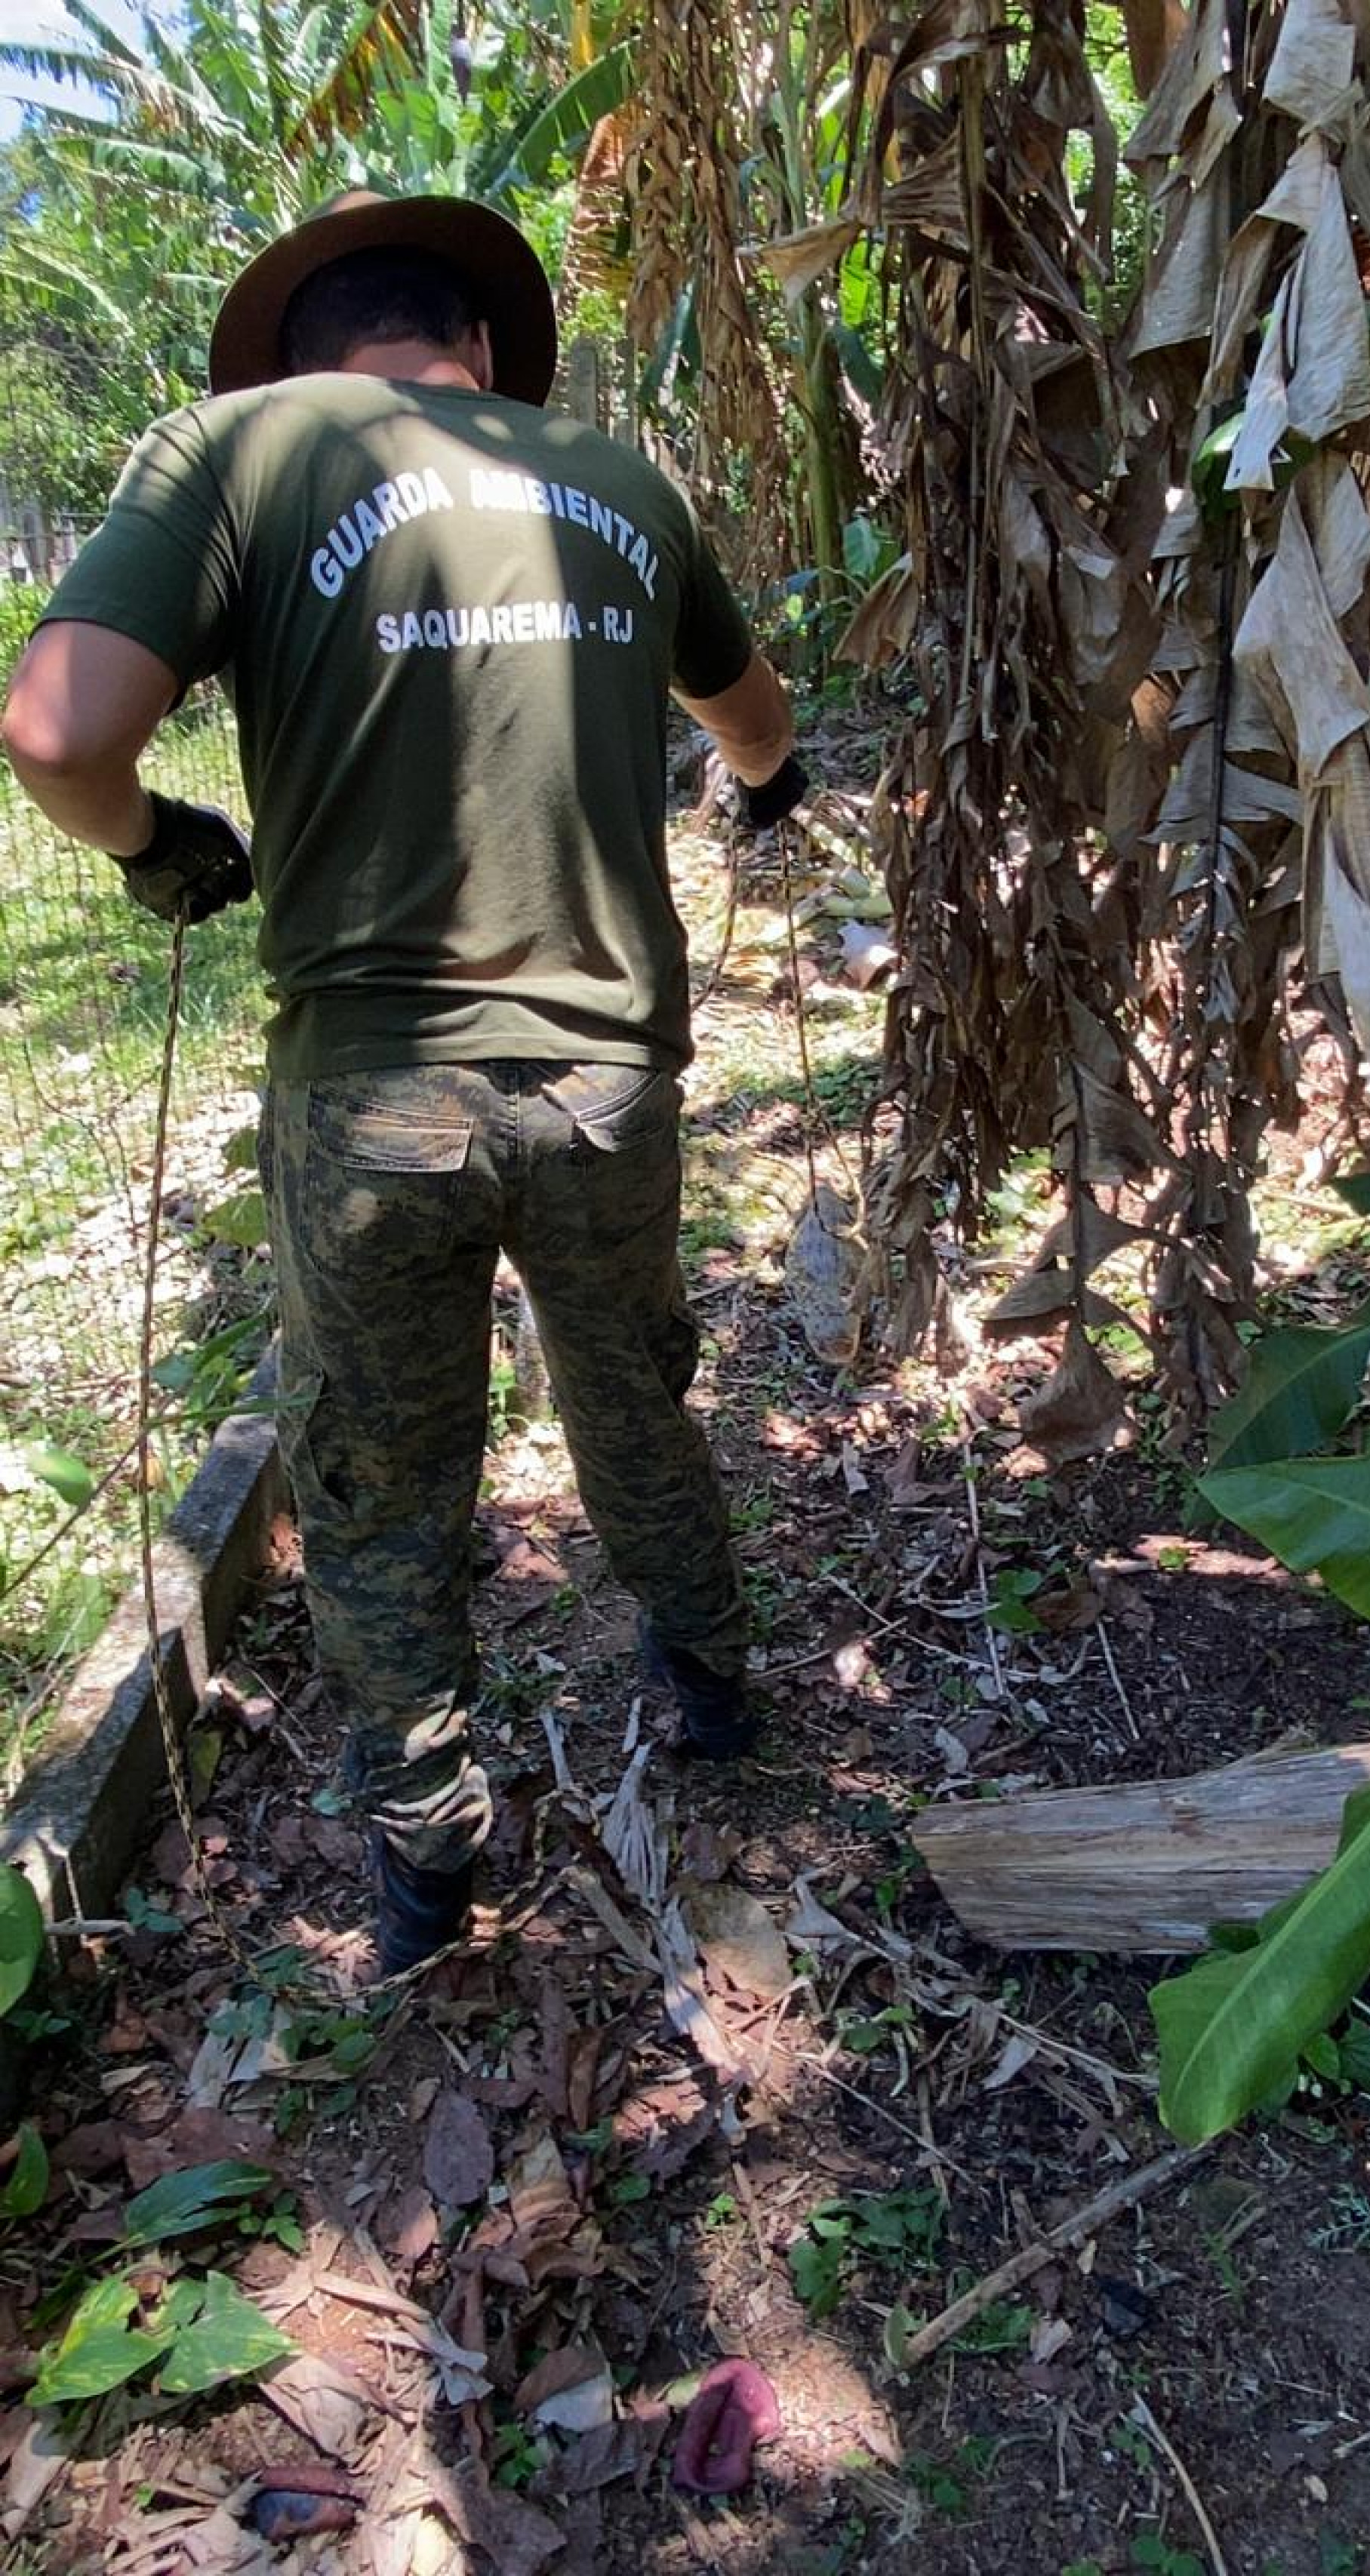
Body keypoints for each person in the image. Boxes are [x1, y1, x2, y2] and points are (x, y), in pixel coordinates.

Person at [2, 191, 805, 1974]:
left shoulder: (240, 449)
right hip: (605, 1081)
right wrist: (761, 787)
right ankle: (718, 1679)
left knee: (378, 1474)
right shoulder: (619, 473)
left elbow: (58, 730)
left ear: (302, 365)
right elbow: (759, 725)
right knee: (633, 1391)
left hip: (373, 1093)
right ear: (488, 356)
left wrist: (151, 850)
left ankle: (430, 1856)